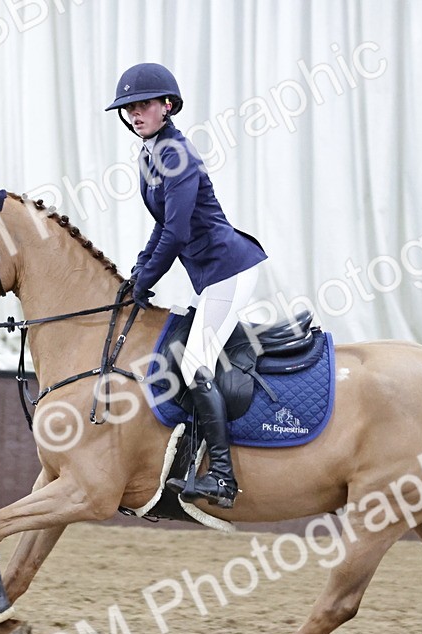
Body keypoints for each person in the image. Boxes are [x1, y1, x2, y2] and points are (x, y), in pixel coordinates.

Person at [106, 62, 268, 509]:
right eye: (129, 108)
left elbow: (176, 234)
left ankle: (222, 478)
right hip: (211, 276)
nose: (135, 114)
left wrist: (147, 280)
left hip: (230, 272)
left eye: (143, 105)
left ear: (167, 106)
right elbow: (162, 228)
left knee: (196, 363)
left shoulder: (176, 154)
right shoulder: (150, 153)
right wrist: (137, 275)